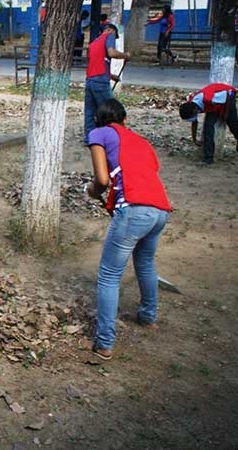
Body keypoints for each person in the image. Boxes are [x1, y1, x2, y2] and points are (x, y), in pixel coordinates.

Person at [85, 99, 171, 360]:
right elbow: (147, 173)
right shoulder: (142, 142)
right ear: (125, 120)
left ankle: (104, 343)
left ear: (99, 120)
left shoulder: (98, 133)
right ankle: (148, 317)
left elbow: (102, 179)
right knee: (145, 263)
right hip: (160, 210)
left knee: (109, 276)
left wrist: (92, 191)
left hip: (133, 209)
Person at [84, 23, 130, 144]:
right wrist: (125, 55)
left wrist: (111, 76)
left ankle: (89, 138)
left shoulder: (93, 43)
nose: (113, 39)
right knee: (112, 110)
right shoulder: (108, 36)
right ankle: (116, 136)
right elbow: (111, 53)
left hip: (90, 80)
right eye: (115, 36)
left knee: (90, 112)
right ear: (109, 30)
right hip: (100, 82)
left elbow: (97, 63)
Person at [178, 82, 238, 165]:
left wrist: (225, 114)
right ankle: (208, 159)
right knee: (208, 130)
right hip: (213, 106)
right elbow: (194, 123)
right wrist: (194, 139)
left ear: (195, 111)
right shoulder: (191, 105)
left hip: (227, 96)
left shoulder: (208, 98)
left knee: (233, 125)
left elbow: (226, 96)